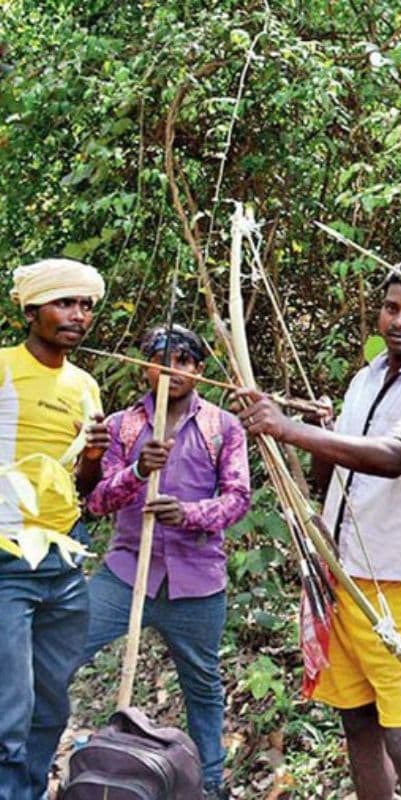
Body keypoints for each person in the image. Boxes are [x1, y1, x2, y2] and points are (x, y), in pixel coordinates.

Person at [237, 262, 401, 800]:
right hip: (342, 580)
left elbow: (392, 458)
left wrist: (289, 427)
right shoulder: (367, 377)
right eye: (391, 308)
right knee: (357, 725)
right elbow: (331, 476)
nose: (400, 321)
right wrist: (317, 431)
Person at [79, 324, 250, 799]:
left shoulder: (223, 426)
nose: (171, 369)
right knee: (66, 652)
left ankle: (210, 785)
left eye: (184, 360)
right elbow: (95, 502)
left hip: (197, 581)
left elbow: (238, 499)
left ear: (198, 370)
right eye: (160, 358)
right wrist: (137, 471)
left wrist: (187, 514)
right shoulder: (123, 425)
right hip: (126, 572)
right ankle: (77, 767)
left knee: (202, 686)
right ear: (145, 365)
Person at [0, 258, 109, 800]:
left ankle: (29, 788)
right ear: (31, 309)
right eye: (65, 303)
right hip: (6, 556)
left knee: (51, 702)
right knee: (8, 710)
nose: (78, 315)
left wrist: (92, 456)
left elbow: (85, 486)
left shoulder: (86, 386)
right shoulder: (2, 368)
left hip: (65, 557)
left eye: (86, 305)